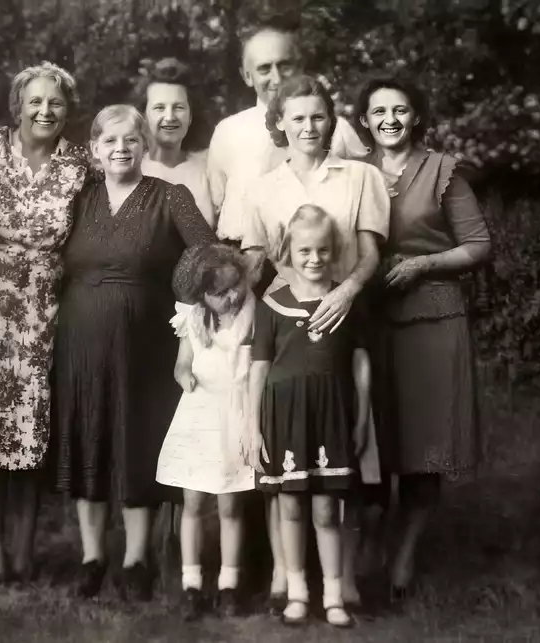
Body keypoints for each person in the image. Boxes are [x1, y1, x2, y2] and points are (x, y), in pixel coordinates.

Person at [51, 105, 217, 602]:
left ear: (145, 146)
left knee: (137, 442)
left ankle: (137, 559)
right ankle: (91, 557)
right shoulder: (79, 199)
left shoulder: (171, 197)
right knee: (88, 440)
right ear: (95, 150)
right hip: (80, 338)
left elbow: (207, 256)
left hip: (145, 343)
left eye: (131, 140)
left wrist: (185, 311)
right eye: (109, 141)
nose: (120, 149)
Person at [241, 74, 389, 609]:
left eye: (319, 116)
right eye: (297, 117)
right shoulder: (263, 186)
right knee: (283, 448)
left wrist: (346, 292)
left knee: (346, 456)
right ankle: (286, 574)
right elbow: (256, 260)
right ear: (280, 123)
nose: (309, 126)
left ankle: (342, 579)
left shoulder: (359, 177)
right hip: (285, 322)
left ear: (333, 120)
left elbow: (370, 254)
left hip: (345, 310)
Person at [354, 75, 492, 599]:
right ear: (364, 120)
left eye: (401, 110)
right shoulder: (352, 172)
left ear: (416, 117)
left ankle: (402, 560)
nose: (390, 119)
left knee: (422, 446)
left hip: (432, 323)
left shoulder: (443, 171)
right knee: (371, 443)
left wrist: (423, 265)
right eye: (378, 111)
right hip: (367, 322)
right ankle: (367, 550)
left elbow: (477, 246)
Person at [0, 62, 89, 586]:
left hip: (43, 311)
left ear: (67, 111)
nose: (45, 111)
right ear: (17, 106)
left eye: (55, 103)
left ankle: (24, 549)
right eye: (34, 101)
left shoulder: (80, 165)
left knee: (32, 430)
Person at [249, 204, 371, 628]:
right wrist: (252, 425)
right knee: (290, 509)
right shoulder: (272, 305)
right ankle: (297, 593)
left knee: (326, 510)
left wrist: (360, 418)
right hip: (284, 417)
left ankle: (334, 595)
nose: (314, 260)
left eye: (322, 251)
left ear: (333, 251)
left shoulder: (344, 301)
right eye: (304, 252)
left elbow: (359, 362)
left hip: (331, 415)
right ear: (287, 252)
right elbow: (259, 367)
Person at [155, 244, 256, 620]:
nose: (230, 297)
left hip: (236, 414)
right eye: (219, 293)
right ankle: (191, 582)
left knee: (230, 503)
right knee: (193, 502)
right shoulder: (194, 321)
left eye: (235, 287)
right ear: (201, 295)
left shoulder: (252, 314)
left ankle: (229, 583)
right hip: (200, 415)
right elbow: (182, 365)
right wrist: (186, 377)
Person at [207, 19, 367, 248]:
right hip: (243, 255)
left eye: (285, 65)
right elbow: (217, 202)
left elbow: (365, 196)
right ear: (247, 76)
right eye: (264, 68)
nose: (277, 77)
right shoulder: (228, 132)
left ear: (299, 67)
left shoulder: (337, 128)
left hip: (318, 258)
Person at [132, 57, 215, 226]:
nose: (170, 117)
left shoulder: (209, 167)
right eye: (159, 108)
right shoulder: (130, 169)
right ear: (144, 116)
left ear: (190, 116)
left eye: (178, 107)